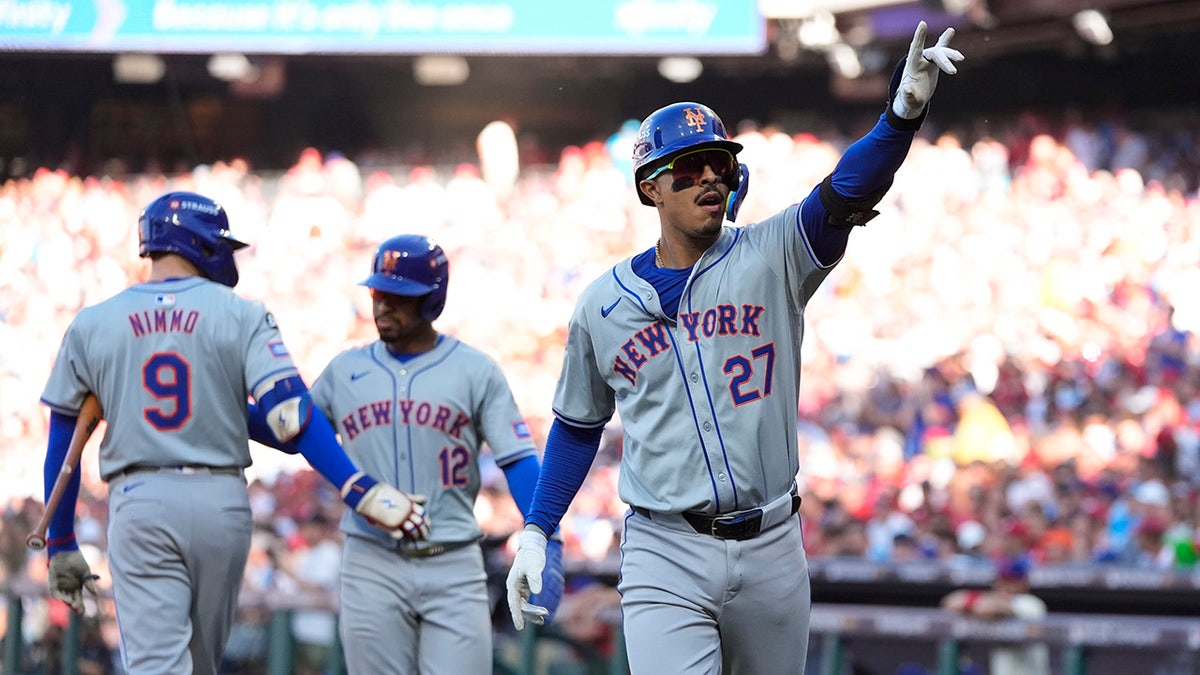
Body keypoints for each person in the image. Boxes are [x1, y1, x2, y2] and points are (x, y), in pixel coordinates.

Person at [506, 21, 964, 674]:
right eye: (688, 168)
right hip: (665, 547)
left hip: (774, 541)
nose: (709, 178)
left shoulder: (773, 253)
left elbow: (845, 192)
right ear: (650, 188)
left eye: (720, 164)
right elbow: (579, 427)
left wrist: (899, 118)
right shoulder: (601, 304)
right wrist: (537, 528)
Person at [39, 191, 429, 675]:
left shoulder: (92, 322)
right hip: (220, 500)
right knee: (201, 667)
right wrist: (358, 487)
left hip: (140, 496)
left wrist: (60, 541)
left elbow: (63, 445)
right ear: (202, 242)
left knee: (156, 667)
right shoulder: (242, 313)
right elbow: (291, 417)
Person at [301, 234, 563, 674]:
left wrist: (546, 536)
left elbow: (518, 459)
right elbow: (296, 431)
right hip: (371, 559)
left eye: (397, 297)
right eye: (378, 294)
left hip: (453, 560)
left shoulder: (475, 369)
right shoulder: (344, 369)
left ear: (431, 300)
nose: (382, 306)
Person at [940, 556, 1050, 675]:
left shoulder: (1032, 603)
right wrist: (978, 601)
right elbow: (950, 602)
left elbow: (991, 609)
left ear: (1025, 582)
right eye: (1003, 579)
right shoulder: (992, 599)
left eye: (1013, 580)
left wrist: (977, 602)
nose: (1006, 585)